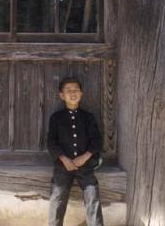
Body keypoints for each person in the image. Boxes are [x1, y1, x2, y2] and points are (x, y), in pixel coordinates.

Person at [47, 77, 104, 226]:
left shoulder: (88, 117)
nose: (73, 93)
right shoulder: (56, 118)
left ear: (82, 93)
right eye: (68, 90)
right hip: (63, 166)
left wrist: (85, 157)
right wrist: (64, 159)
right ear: (62, 95)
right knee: (57, 198)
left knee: (93, 198)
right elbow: (51, 142)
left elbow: (97, 141)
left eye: (76, 90)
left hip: (85, 166)